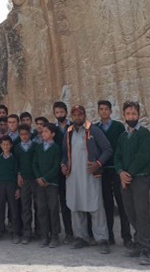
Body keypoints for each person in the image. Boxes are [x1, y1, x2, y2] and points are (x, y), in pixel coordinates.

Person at [61, 105, 112, 254]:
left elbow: (108, 149)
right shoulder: (68, 132)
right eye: (75, 115)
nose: (77, 117)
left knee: (95, 206)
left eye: (80, 114)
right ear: (72, 116)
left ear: (84, 115)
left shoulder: (94, 130)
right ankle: (80, 237)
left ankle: (102, 239)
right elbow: (64, 154)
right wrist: (63, 164)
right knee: (75, 205)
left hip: (90, 175)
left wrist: (98, 163)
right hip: (73, 175)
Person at [115, 101, 150, 266]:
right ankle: (138, 244)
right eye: (128, 114)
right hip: (125, 179)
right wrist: (120, 172)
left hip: (140, 178)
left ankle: (146, 248)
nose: (131, 116)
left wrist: (128, 174)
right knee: (131, 212)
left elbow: (143, 157)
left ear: (139, 115)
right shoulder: (123, 137)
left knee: (142, 212)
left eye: (134, 113)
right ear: (124, 116)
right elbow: (117, 157)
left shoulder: (145, 134)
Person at [96, 100, 131, 247]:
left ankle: (126, 236)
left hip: (116, 169)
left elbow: (122, 146)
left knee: (122, 204)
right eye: (101, 109)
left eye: (106, 109)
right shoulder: (95, 128)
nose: (103, 111)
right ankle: (109, 235)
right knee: (107, 204)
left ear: (110, 111)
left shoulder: (118, 126)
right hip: (102, 170)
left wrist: (122, 167)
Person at [33, 123, 62, 248]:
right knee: (41, 209)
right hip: (40, 184)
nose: (43, 133)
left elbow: (56, 167)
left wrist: (46, 178)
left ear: (53, 134)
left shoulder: (56, 148)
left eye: (46, 131)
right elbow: (34, 163)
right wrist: (39, 177)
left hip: (52, 184)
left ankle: (55, 235)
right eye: (42, 131)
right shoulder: (39, 147)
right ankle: (45, 235)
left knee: (53, 209)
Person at [14, 124, 39, 244]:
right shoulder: (17, 148)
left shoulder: (35, 146)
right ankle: (26, 232)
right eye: (22, 135)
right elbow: (16, 163)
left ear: (30, 134)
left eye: (26, 134)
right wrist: (18, 174)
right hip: (23, 180)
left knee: (39, 206)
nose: (24, 136)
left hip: (35, 179)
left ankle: (40, 231)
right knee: (25, 207)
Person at [53, 101, 74, 244]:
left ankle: (85, 232)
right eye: (57, 112)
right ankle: (69, 232)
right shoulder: (53, 130)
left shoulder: (72, 128)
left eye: (61, 112)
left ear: (66, 112)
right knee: (64, 201)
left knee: (77, 199)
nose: (59, 115)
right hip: (59, 170)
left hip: (73, 168)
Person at [0, 136, 21, 243]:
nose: (5, 146)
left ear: (11, 145)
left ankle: (16, 232)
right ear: (0, 146)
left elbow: (17, 173)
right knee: (0, 209)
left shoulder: (14, 158)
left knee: (13, 208)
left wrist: (18, 188)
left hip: (11, 185)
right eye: (3, 144)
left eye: (7, 144)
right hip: (0, 184)